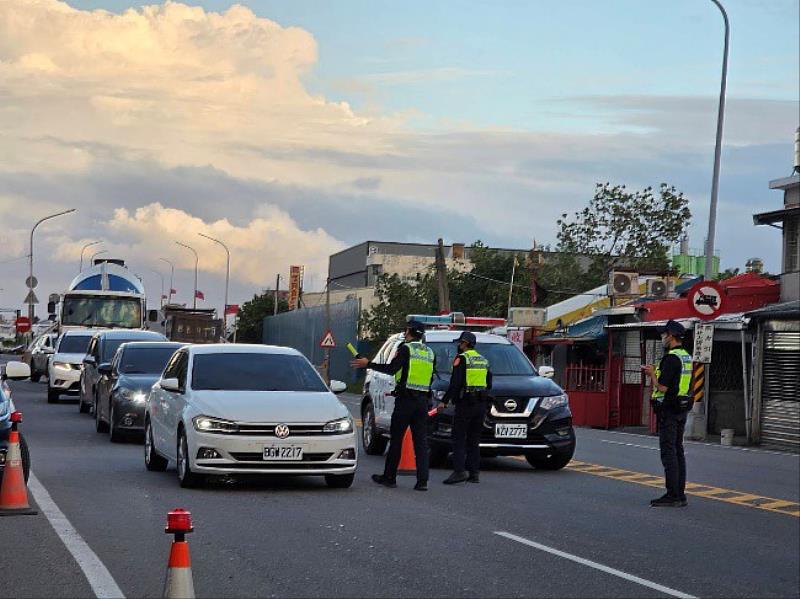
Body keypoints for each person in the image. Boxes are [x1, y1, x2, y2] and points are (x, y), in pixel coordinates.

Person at [351, 320, 435, 491]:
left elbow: (391, 369)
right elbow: (431, 378)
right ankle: (422, 481)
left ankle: (389, 477)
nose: (404, 332)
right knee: (420, 442)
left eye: (406, 329)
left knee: (396, 440)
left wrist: (369, 364)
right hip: (422, 402)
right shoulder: (429, 352)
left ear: (409, 331)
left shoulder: (406, 349)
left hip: (406, 401)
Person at [643, 319, 693, 508]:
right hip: (682, 408)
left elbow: (662, 387)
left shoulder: (671, 358)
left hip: (670, 409)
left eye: (664, 334)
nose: (663, 337)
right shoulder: (686, 357)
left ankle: (672, 494)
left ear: (671, 336)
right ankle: (680, 494)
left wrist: (652, 375)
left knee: (669, 452)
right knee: (678, 450)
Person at [440, 331, 492, 485]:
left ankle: (459, 471)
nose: (458, 345)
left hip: (465, 404)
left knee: (458, 438)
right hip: (480, 404)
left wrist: (444, 401)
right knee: (474, 440)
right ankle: (474, 473)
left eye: (460, 343)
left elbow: (455, 384)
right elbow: (489, 383)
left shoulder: (462, 359)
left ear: (465, 343)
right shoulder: (483, 360)